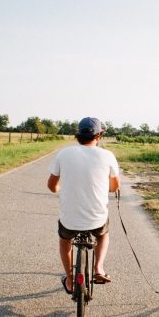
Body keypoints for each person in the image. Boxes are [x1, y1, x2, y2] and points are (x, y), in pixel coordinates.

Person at [47, 117, 120, 294]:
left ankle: (70, 280)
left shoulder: (64, 154)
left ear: (78, 135)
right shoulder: (107, 155)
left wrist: (58, 189)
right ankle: (98, 269)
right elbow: (114, 187)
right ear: (99, 136)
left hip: (69, 219)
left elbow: (51, 185)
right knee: (103, 234)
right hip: (97, 219)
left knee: (65, 241)